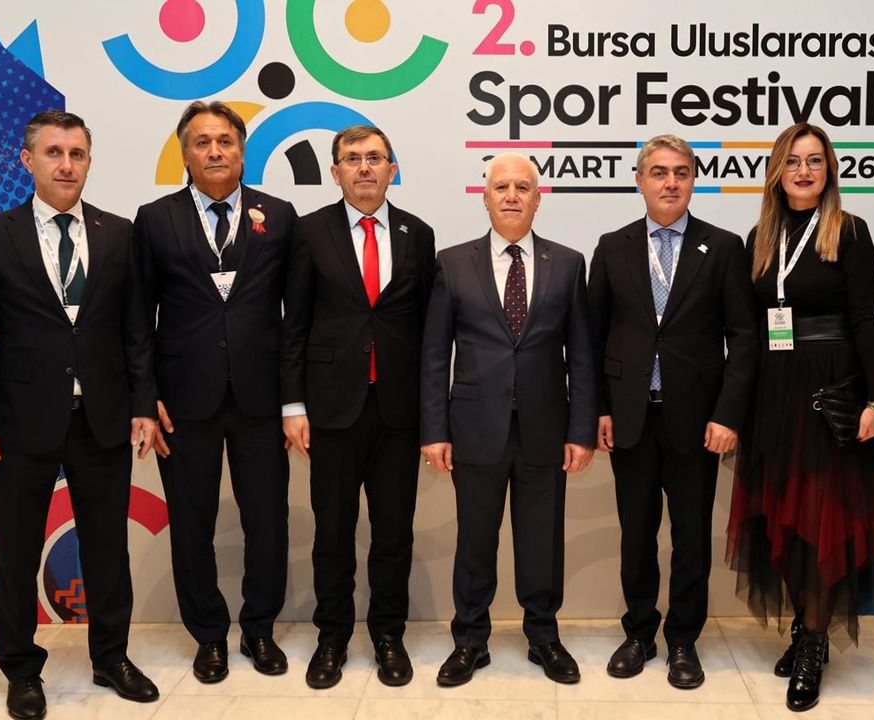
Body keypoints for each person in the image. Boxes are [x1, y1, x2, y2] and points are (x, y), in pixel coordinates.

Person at [0, 110, 160, 720]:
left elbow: (136, 331)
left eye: (77, 153)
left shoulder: (119, 234)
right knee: (16, 551)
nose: (66, 164)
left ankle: (111, 657)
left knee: (107, 549)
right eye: (54, 152)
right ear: (29, 161)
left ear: (89, 161)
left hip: (102, 416)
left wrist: (143, 405)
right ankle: (21, 669)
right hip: (19, 422)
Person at [724, 122, 874, 711]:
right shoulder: (759, 237)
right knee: (784, 519)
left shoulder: (849, 230)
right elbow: (749, 328)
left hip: (829, 388)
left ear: (829, 170)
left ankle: (815, 643)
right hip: (774, 390)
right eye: (793, 161)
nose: (803, 171)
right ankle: (802, 626)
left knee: (821, 518)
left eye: (815, 160)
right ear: (777, 171)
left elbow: (866, 321)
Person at [134, 101, 297, 684]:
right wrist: (144, 396)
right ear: (185, 153)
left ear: (242, 150)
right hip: (183, 403)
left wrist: (294, 400)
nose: (215, 151)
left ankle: (259, 628)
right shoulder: (154, 219)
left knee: (268, 522)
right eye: (202, 142)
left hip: (262, 400)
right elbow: (137, 318)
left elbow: (297, 319)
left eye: (225, 141)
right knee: (191, 523)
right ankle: (208, 635)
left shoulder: (279, 216)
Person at [420, 151, 596, 687]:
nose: (513, 196)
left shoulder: (568, 263)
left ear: (538, 198)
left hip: (546, 427)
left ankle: (543, 636)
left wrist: (581, 430)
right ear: (486, 197)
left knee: (542, 539)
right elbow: (434, 354)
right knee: (475, 540)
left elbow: (581, 354)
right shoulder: (453, 263)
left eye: (523, 187)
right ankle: (470, 640)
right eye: (502, 187)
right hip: (474, 427)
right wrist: (434, 430)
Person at [588, 134, 757, 689]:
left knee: (690, 536)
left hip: (698, 421)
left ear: (693, 181)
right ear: (640, 181)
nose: (670, 182)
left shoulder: (723, 246)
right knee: (636, 534)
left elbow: (744, 337)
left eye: (681, 172)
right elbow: (592, 339)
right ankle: (639, 632)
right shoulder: (611, 246)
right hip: (631, 418)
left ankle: (684, 639)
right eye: (658, 172)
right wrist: (599, 409)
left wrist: (728, 415)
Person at [281, 125, 436, 688]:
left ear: (392, 169)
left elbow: (428, 331)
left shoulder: (418, 234)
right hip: (330, 409)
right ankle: (332, 638)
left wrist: (433, 412)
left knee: (394, 533)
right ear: (335, 171)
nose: (364, 167)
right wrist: (293, 405)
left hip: (399, 411)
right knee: (333, 532)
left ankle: (388, 636)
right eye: (352, 158)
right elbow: (293, 325)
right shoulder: (307, 232)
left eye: (375, 158)